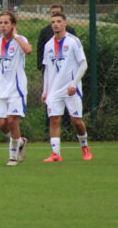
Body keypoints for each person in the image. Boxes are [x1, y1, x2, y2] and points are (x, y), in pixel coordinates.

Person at [41, 12, 92, 162]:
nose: (55, 24)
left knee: (76, 121)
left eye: (58, 21)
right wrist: (45, 91)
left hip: (71, 88)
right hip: (54, 89)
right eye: (53, 22)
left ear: (64, 23)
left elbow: (83, 64)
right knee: (54, 119)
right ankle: (56, 153)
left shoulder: (73, 41)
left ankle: (85, 146)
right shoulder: (48, 45)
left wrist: (74, 84)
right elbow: (47, 69)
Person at [0, 12, 31, 166]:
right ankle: (20, 141)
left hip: (17, 89)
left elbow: (28, 50)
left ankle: (13, 156)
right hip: (1, 89)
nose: (3, 25)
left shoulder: (20, 39)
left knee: (12, 120)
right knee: (3, 125)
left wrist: (16, 36)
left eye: (6, 22)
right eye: (1, 23)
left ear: (13, 25)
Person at [37, 5, 77, 131]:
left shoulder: (70, 32)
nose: (55, 23)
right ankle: (48, 126)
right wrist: (42, 67)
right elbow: (40, 50)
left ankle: (67, 127)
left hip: (66, 72)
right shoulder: (45, 32)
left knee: (68, 98)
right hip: (51, 70)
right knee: (49, 98)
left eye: (57, 14)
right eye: (52, 14)